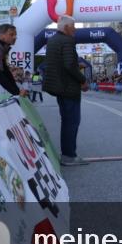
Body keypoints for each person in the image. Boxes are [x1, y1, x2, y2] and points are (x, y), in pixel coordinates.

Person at [42, 15, 89, 166]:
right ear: (67, 27)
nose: (75, 29)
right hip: (69, 88)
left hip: (58, 87)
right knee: (72, 122)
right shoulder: (67, 40)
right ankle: (69, 155)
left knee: (66, 121)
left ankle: (67, 154)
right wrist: (82, 80)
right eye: (73, 26)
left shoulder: (53, 40)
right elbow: (69, 65)